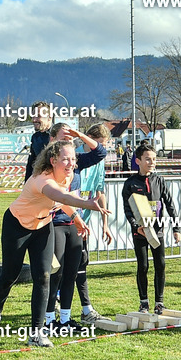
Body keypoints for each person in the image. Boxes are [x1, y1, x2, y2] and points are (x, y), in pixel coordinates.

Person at [0, 140, 109, 347]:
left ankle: (36, 333)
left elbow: (62, 201)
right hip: (17, 225)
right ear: (53, 161)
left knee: (44, 276)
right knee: (10, 275)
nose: (71, 163)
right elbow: (58, 195)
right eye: (65, 159)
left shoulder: (67, 176)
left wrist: (77, 218)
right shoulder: (42, 180)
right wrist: (86, 204)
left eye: (73, 159)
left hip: (43, 226)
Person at [43, 122, 107, 331]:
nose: (70, 140)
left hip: (74, 222)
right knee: (55, 273)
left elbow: (100, 152)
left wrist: (79, 134)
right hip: (54, 222)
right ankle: (49, 319)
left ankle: (65, 319)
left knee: (71, 272)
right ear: (53, 140)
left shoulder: (74, 162)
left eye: (72, 138)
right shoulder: (47, 164)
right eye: (64, 136)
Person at [122, 142, 181, 315]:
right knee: (143, 266)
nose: (152, 162)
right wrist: (136, 226)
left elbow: (170, 205)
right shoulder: (130, 183)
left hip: (158, 231)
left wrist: (176, 228)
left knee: (160, 265)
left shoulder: (159, 180)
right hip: (140, 232)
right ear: (138, 161)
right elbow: (127, 210)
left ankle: (159, 303)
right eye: (148, 159)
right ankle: (144, 303)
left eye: (154, 159)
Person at [74, 124, 114, 323]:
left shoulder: (99, 162)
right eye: (98, 145)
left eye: (104, 146)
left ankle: (86, 309)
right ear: (87, 139)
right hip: (67, 219)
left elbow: (100, 192)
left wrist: (105, 223)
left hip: (85, 223)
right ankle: (54, 305)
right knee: (61, 266)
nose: (101, 151)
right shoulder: (74, 157)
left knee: (81, 263)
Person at [23, 101, 54, 181]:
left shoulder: (60, 134)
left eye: (38, 116)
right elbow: (31, 163)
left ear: (49, 117)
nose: (34, 120)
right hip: (41, 183)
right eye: (33, 116)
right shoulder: (35, 137)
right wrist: (27, 184)